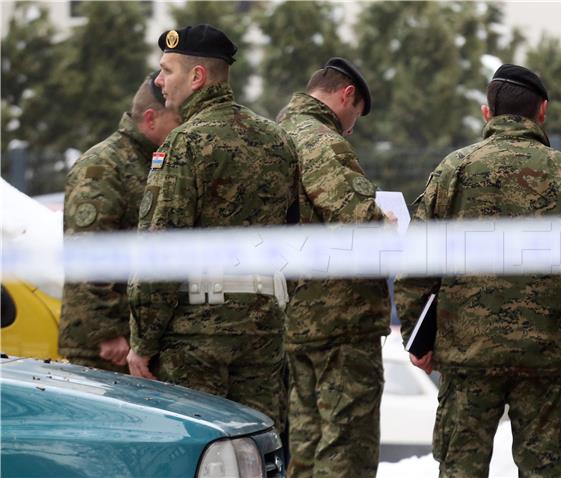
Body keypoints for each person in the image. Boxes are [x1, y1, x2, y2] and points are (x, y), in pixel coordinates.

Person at [394, 64, 561, 478]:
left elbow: (416, 265)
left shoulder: (452, 172)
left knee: (461, 470)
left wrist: (419, 337)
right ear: (542, 111)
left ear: (488, 114)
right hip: (547, 358)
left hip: (468, 357)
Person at [126, 25, 299, 438]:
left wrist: (143, 342)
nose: (160, 81)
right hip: (265, 331)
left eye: (167, 70)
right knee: (257, 451)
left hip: (195, 337)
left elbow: (159, 251)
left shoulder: (184, 143)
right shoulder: (277, 140)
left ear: (197, 77)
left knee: (195, 452)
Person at [278, 57, 392, 478]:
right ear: (346, 95)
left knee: (305, 444)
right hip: (341, 319)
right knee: (346, 445)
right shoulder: (320, 140)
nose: (350, 127)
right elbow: (355, 219)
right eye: (354, 116)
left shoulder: (278, 133)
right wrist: (387, 224)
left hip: (298, 315)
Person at [59, 72, 179, 372]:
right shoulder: (102, 166)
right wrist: (106, 332)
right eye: (178, 123)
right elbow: (86, 252)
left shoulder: (154, 163)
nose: (184, 132)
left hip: (136, 339)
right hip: (106, 348)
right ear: (150, 118)